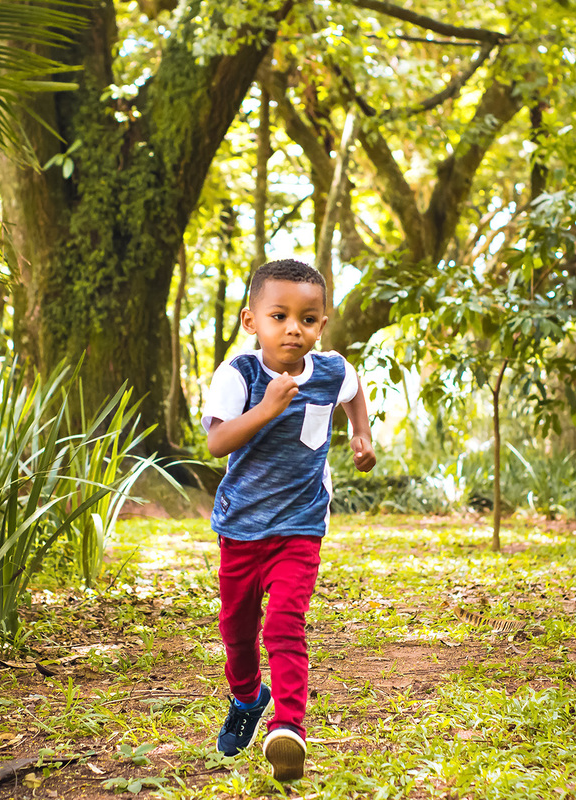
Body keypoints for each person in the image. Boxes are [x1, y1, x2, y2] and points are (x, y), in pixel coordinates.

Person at [200, 258, 376, 782]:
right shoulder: (240, 375)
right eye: (279, 315)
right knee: (237, 630)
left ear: (322, 325)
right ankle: (249, 697)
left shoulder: (330, 370)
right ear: (252, 320)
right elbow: (216, 442)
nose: (293, 328)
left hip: (300, 526)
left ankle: (289, 728)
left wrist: (361, 435)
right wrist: (267, 408)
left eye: (307, 317)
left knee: (284, 624)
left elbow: (353, 389)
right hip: (241, 528)